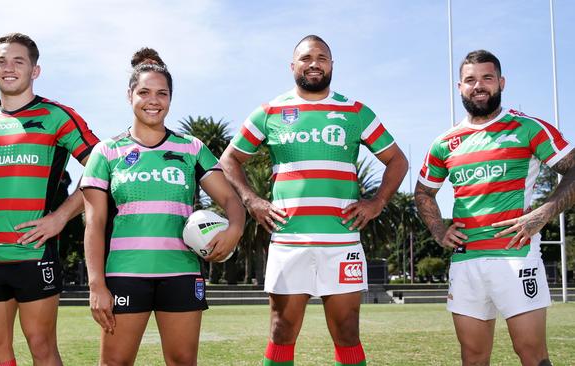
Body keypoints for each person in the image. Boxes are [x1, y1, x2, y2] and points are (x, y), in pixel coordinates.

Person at [220, 35, 408, 366]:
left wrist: (376, 202)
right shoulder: (270, 112)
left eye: (322, 57)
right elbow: (229, 159)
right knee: (281, 329)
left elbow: (398, 160)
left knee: (348, 332)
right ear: (292, 66)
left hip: (343, 240)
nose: (314, 63)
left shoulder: (355, 112)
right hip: (289, 240)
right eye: (306, 58)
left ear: (332, 65)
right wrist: (253, 201)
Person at [81, 52, 245, 366]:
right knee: (115, 363)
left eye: (162, 93)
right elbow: (94, 223)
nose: (153, 100)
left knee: (183, 361)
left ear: (170, 98)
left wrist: (235, 229)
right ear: (129, 95)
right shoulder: (107, 151)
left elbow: (231, 200)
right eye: (144, 92)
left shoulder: (191, 148)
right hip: (125, 273)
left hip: (181, 272)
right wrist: (97, 284)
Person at [415, 50, 575, 366]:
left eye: (487, 78)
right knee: (473, 357)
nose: (479, 86)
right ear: (459, 86)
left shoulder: (527, 128)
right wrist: (438, 229)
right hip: (466, 261)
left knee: (531, 354)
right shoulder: (445, 142)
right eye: (471, 80)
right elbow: (423, 192)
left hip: (515, 256)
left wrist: (540, 215)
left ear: (500, 82)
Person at [0, 32, 99, 366]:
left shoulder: (58, 117)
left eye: (19, 60)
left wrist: (60, 217)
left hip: (35, 254)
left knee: (41, 348)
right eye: (2, 60)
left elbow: (101, 168)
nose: (9, 67)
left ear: (35, 70)